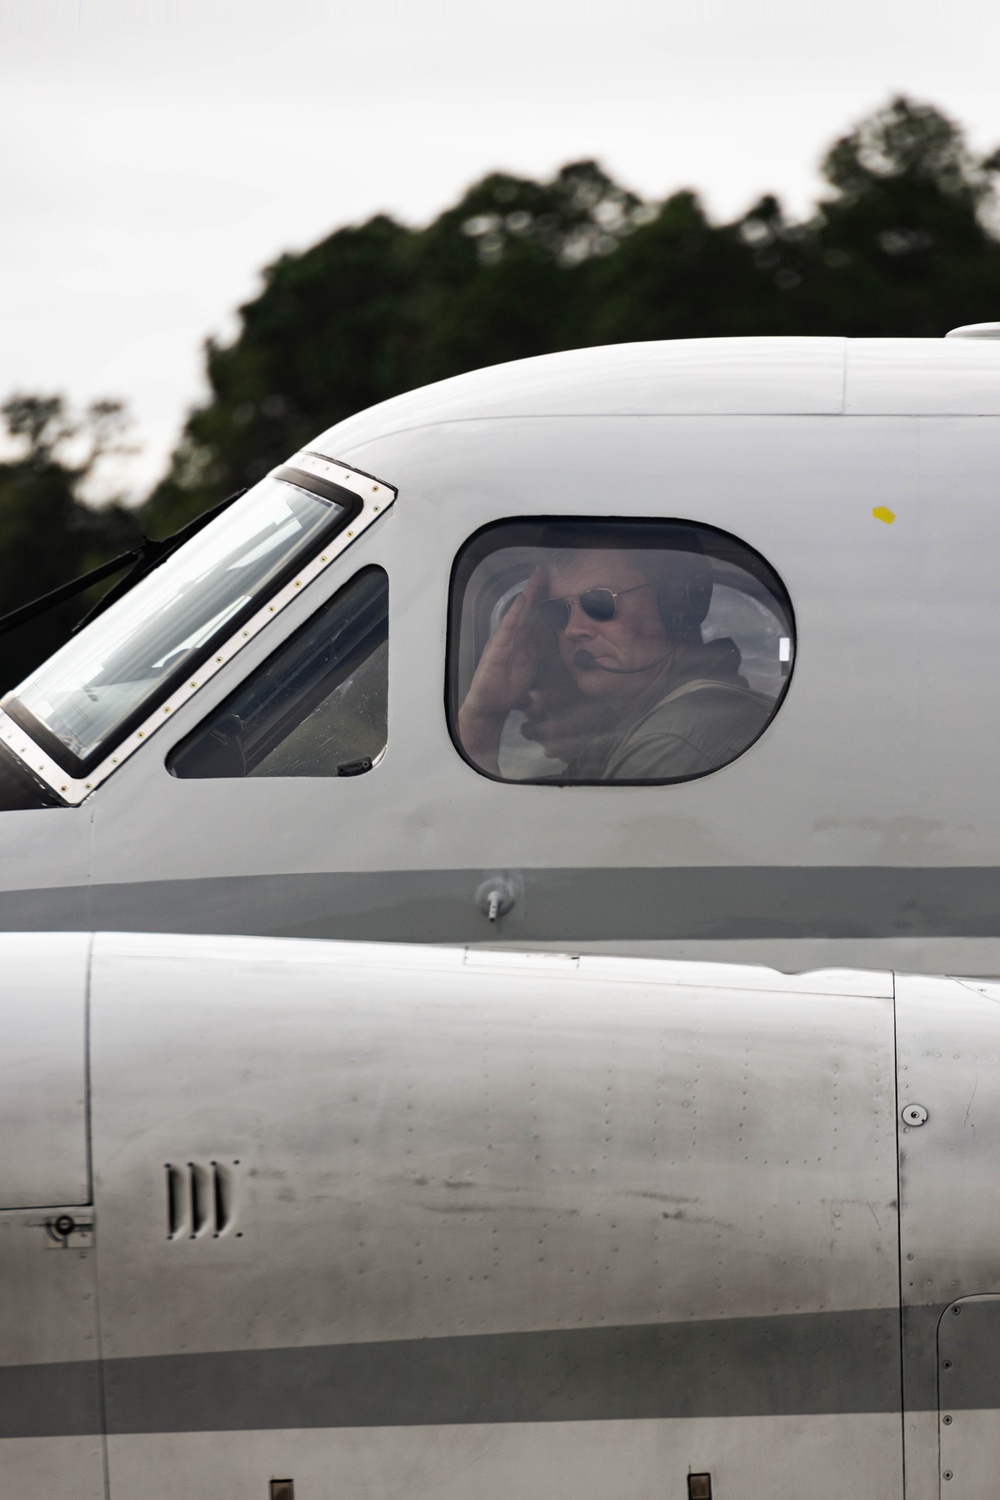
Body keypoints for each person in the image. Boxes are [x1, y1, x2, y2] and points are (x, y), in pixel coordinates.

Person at [456, 534, 773, 781]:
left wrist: (479, 723)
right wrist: (482, 714)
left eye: (598, 603)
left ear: (676, 605)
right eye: (557, 611)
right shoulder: (625, 734)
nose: (573, 630)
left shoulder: (669, 744)